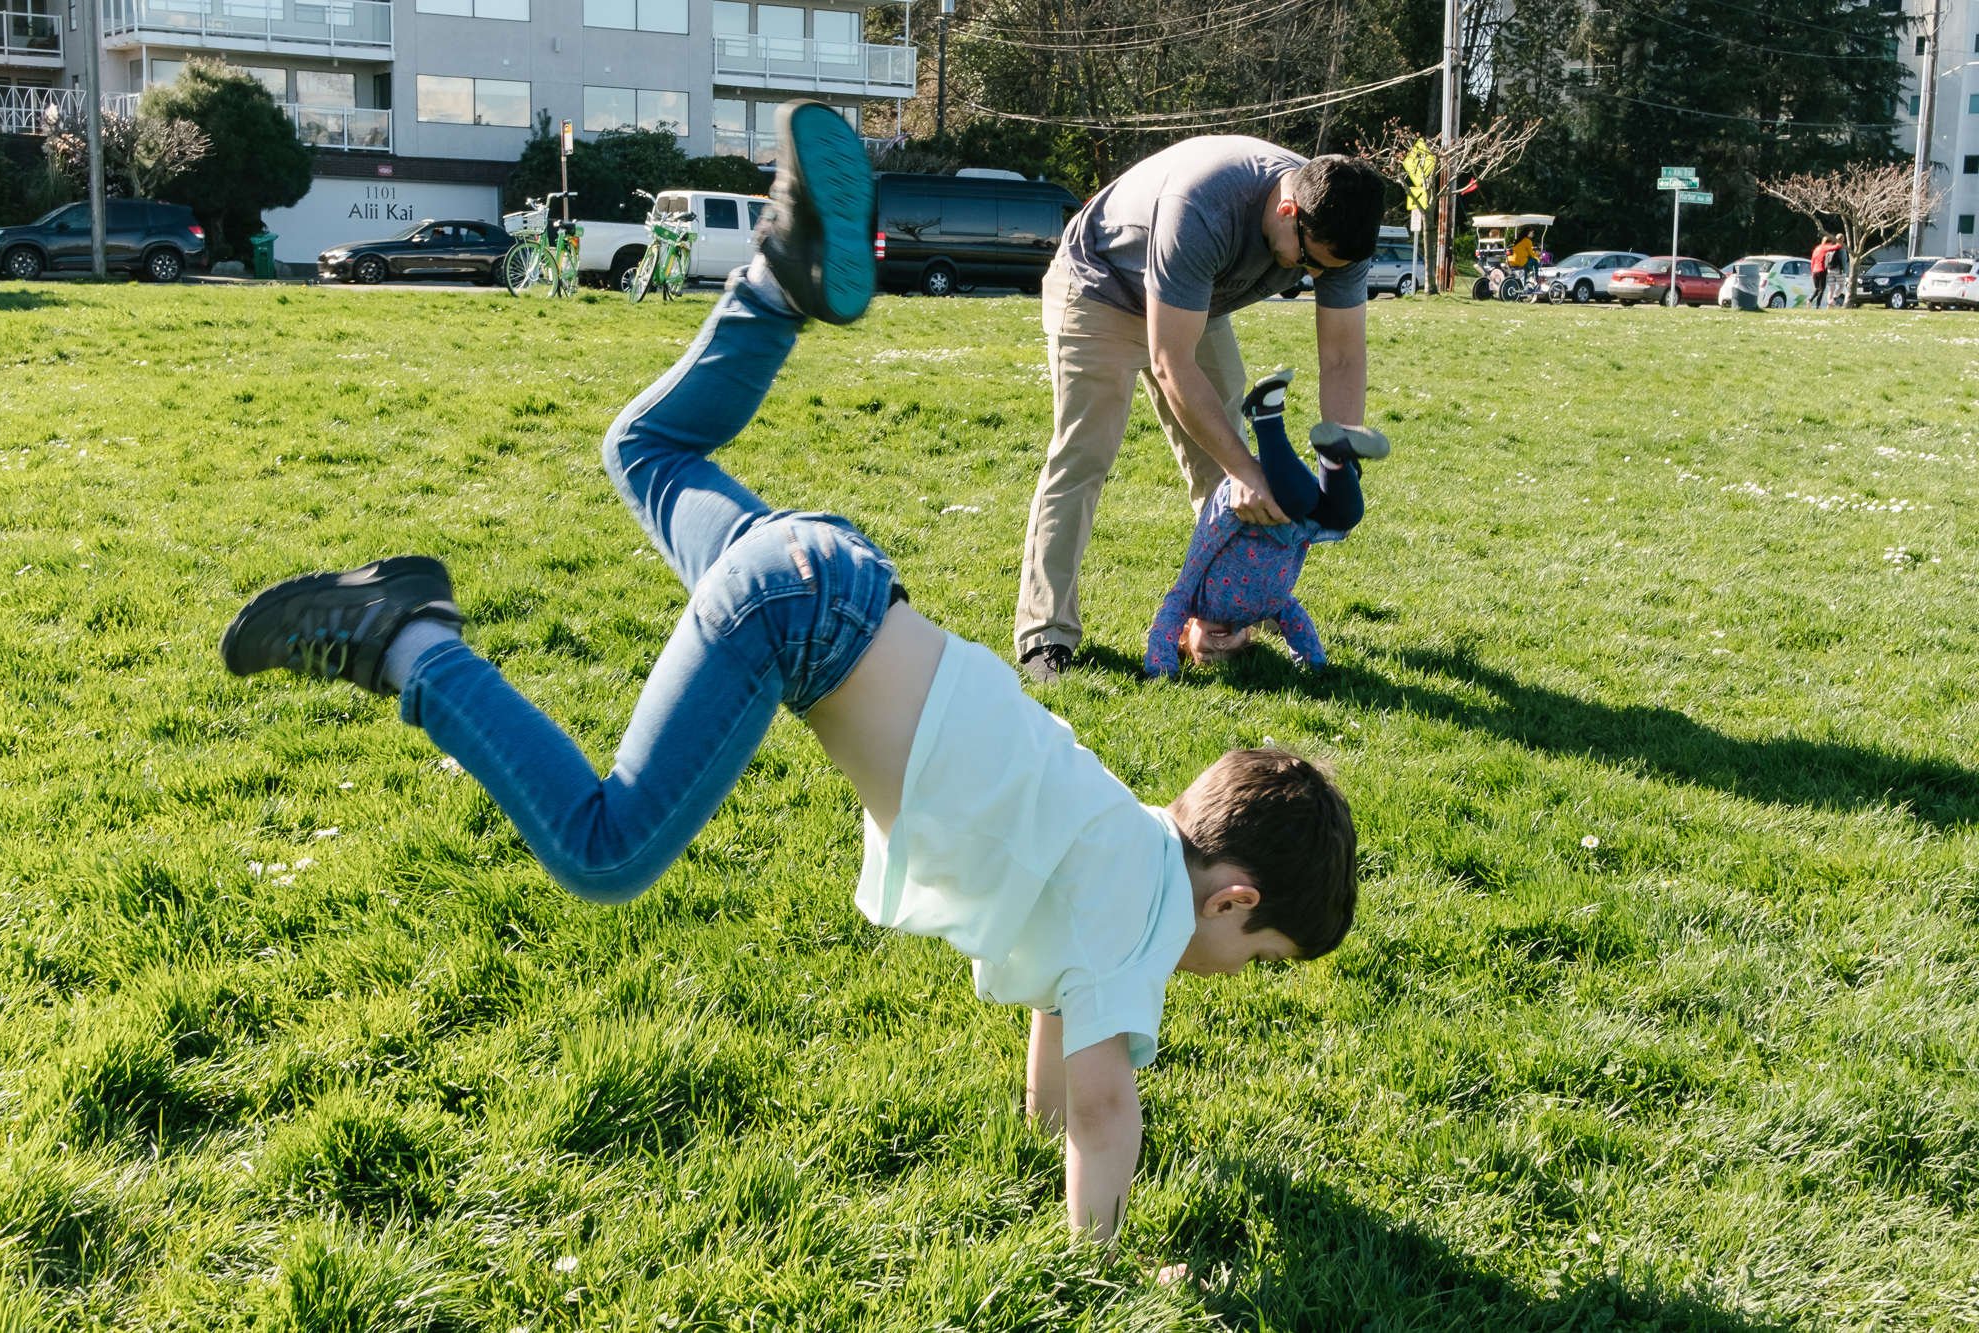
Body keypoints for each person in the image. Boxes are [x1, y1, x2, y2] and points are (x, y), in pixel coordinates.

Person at [215, 101, 1360, 1245]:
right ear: (1234, 900)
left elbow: (1063, 1031)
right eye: (1253, 959)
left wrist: (1033, 1127)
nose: (1229, 970)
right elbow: (1106, 1104)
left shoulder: (1120, 847)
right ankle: (406, 636)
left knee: (645, 449)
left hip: (837, 577)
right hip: (800, 621)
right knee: (604, 850)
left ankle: (774, 279)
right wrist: (1094, 1263)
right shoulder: (1145, 915)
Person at [1014, 139, 1385, 683]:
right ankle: (1046, 640)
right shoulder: (1204, 207)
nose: (1309, 274)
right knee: (1083, 459)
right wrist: (1247, 468)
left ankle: (1221, 617)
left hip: (1194, 299)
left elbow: (1343, 354)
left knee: (1229, 484)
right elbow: (1171, 362)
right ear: (1288, 209)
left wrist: (1340, 467)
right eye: (1306, 261)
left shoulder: (1339, 227)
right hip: (1101, 285)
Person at [1142, 367, 1388, 675]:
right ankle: (1334, 457)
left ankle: (1265, 414)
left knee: (1299, 500)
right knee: (1347, 516)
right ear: (1248, 635)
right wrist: (1315, 666)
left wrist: (1160, 669)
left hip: (1242, 504)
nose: (1219, 647)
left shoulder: (1191, 599)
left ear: (1186, 631)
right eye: (1232, 651)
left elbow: (1195, 563)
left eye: (1204, 650)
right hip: (1297, 521)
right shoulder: (1269, 608)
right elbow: (1298, 626)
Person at [1811, 233, 1836, 309]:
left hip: (1815, 270)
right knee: (1822, 289)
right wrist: (1840, 242)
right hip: (1821, 270)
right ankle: (1818, 305)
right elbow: (1837, 246)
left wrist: (1812, 272)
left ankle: (1810, 300)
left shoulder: (1817, 248)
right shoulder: (1825, 247)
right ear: (1828, 242)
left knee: (1817, 288)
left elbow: (1812, 261)